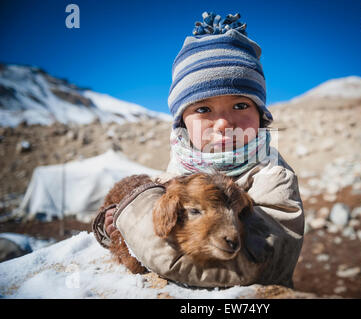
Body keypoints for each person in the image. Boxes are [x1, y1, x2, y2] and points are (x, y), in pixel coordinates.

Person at [93, 12, 304, 288]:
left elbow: (260, 263)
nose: (224, 123)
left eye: (240, 105)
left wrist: (134, 218)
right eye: (203, 109)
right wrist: (116, 231)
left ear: (261, 116)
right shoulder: (177, 171)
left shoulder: (273, 177)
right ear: (182, 123)